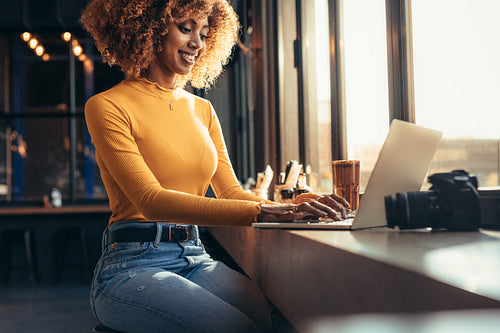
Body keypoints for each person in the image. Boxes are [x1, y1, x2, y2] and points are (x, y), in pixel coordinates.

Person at [81, 0, 350, 332]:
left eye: (205, 33)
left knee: (275, 320)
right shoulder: (107, 105)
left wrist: (290, 206)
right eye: (185, 28)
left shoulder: (202, 109)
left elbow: (231, 192)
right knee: (235, 327)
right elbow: (151, 201)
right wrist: (263, 212)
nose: (197, 43)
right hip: (131, 265)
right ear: (149, 29)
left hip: (194, 255)